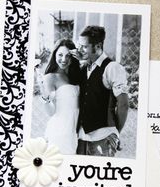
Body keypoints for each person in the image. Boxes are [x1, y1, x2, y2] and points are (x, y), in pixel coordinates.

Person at [71, 25, 129, 157]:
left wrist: (116, 133)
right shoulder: (85, 66)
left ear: (97, 46)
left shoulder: (112, 68)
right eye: (79, 45)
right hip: (81, 138)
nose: (79, 49)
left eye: (84, 46)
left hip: (104, 137)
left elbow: (123, 105)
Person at [41, 39, 81, 154]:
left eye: (68, 56)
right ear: (54, 55)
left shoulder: (76, 75)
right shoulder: (50, 77)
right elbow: (51, 112)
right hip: (60, 132)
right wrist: (45, 98)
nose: (64, 59)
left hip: (75, 132)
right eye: (60, 55)